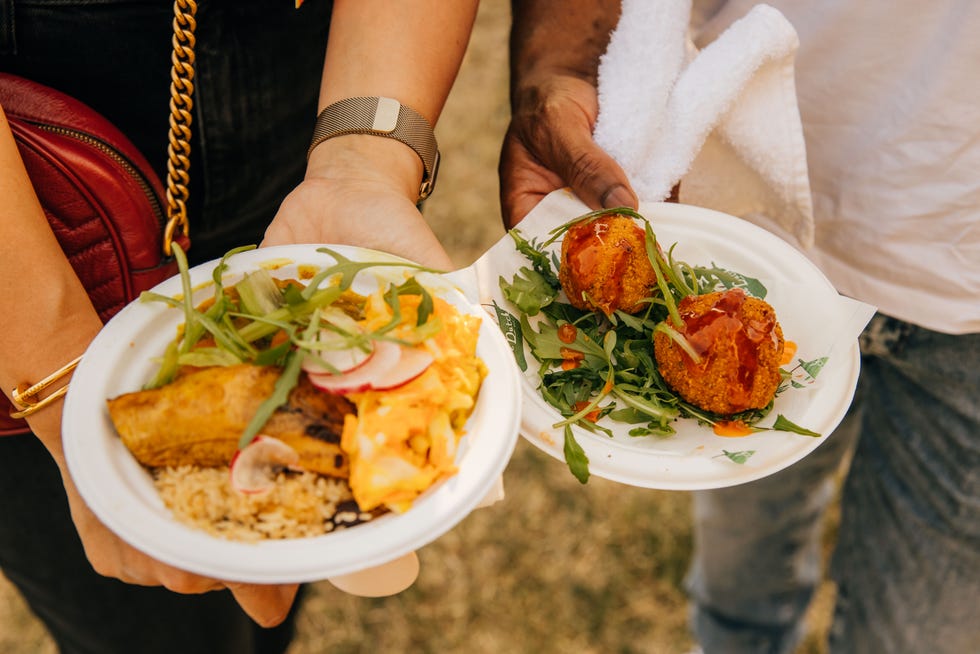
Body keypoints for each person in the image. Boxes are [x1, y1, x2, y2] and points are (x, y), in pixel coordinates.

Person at [502, 1, 980, 653]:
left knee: (915, 635)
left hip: (966, 270)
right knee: (741, 568)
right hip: (754, 224)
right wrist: (557, 54)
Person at [0, 1, 477, 652]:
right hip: (35, 240)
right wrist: (56, 378)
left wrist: (363, 158)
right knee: (151, 633)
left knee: (288, 566)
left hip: (307, 116)